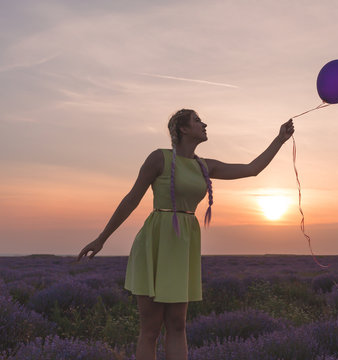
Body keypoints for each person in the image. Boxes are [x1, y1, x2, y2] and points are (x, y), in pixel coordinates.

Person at [77, 109, 294, 360]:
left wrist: (279, 139)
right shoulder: (159, 158)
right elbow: (132, 199)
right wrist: (102, 238)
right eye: (197, 121)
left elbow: (252, 168)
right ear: (182, 129)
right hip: (156, 243)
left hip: (183, 246)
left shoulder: (205, 166)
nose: (204, 124)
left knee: (178, 325)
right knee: (150, 329)